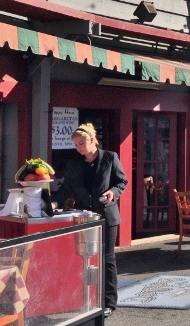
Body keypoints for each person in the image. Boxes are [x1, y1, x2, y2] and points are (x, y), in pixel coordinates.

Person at [51, 123, 127, 318]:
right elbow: (67, 187)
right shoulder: (74, 164)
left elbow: (121, 181)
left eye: (81, 143)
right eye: (76, 145)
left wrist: (113, 192)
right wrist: (53, 203)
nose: (79, 148)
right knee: (84, 258)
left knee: (106, 258)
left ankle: (109, 302)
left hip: (107, 215)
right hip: (85, 216)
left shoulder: (110, 157)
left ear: (92, 140)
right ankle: (86, 299)